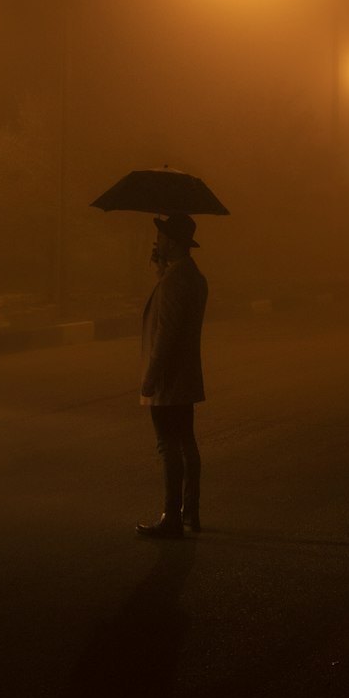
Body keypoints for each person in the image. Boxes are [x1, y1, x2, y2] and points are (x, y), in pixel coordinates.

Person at [136, 212, 208, 539]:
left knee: (169, 445)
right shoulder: (191, 275)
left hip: (169, 377)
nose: (158, 240)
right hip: (185, 374)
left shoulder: (177, 280)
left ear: (175, 242)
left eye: (163, 236)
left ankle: (171, 517)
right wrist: (161, 270)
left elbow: (166, 333)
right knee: (186, 442)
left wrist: (150, 376)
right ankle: (189, 511)